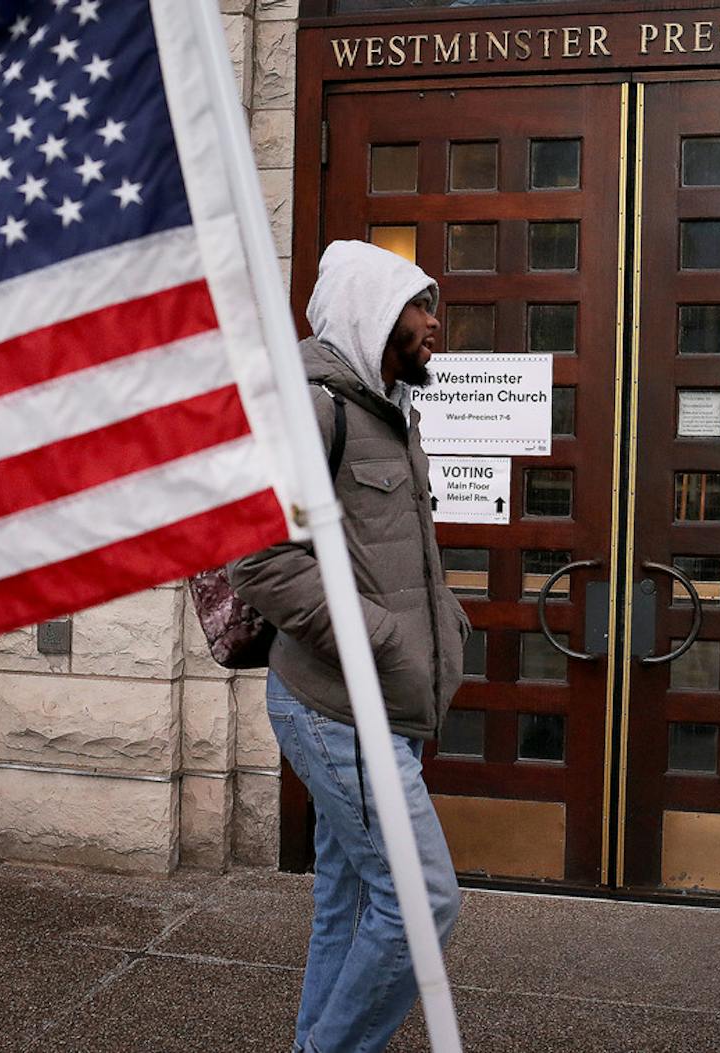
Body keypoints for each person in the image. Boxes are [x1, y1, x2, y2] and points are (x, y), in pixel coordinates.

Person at [229, 239, 469, 1053]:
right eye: (418, 307)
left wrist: (444, 624)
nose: (435, 324)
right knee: (421, 897)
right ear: (372, 312)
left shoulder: (387, 407)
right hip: (337, 707)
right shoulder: (315, 407)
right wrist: (381, 637)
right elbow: (258, 559)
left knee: (350, 896)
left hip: (384, 701)